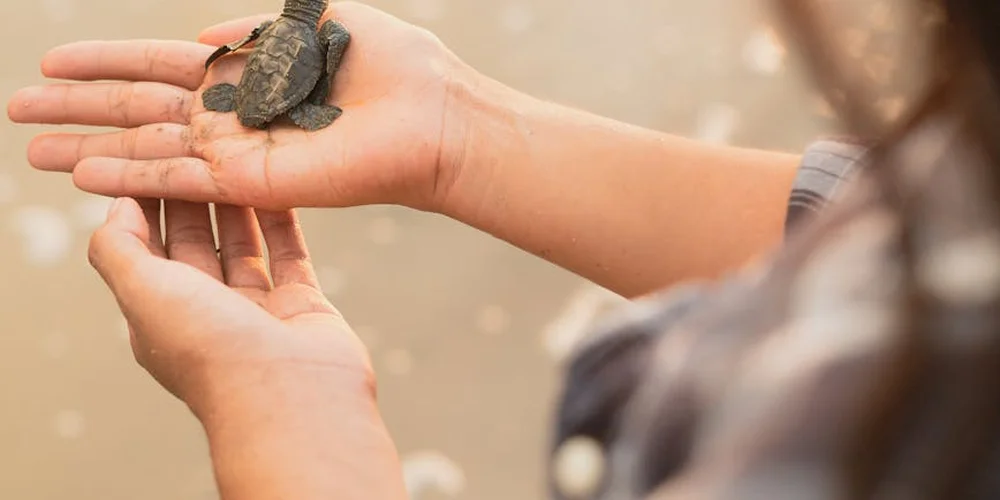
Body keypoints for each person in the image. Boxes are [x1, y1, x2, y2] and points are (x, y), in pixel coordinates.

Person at [6, 0, 1000, 498]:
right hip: (289, 92)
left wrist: (276, 409)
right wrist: (458, 136)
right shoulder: (951, 262)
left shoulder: (847, 446)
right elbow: (898, 230)